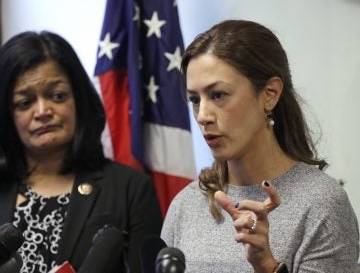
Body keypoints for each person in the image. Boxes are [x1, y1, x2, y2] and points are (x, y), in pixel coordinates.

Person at [161, 20, 359, 272]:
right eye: (194, 99)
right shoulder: (186, 204)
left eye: (218, 95)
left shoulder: (321, 204)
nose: (202, 115)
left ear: (269, 94)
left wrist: (267, 266)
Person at [0, 31, 163, 273]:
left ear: (78, 99)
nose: (43, 110)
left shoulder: (131, 189)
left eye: (57, 96)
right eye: (25, 103)